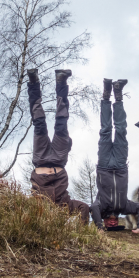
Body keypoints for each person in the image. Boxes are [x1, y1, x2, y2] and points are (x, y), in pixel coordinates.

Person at [27, 68, 89, 224]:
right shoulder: (66, 208)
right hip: (59, 158)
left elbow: (22, 209)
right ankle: (61, 80)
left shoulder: (36, 209)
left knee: (39, 124)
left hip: (40, 159)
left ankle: (33, 83)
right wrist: (81, 233)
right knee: (62, 121)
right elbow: (84, 207)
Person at [90, 78, 139, 233]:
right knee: (121, 130)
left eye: (109, 224)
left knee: (106, 130)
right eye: (114, 224)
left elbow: (93, 208)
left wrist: (99, 227)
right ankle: (118, 94)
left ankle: (106, 96)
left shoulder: (99, 206)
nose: (113, 223)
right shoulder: (124, 207)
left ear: (104, 221)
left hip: (104, 165)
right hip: (121, 165)